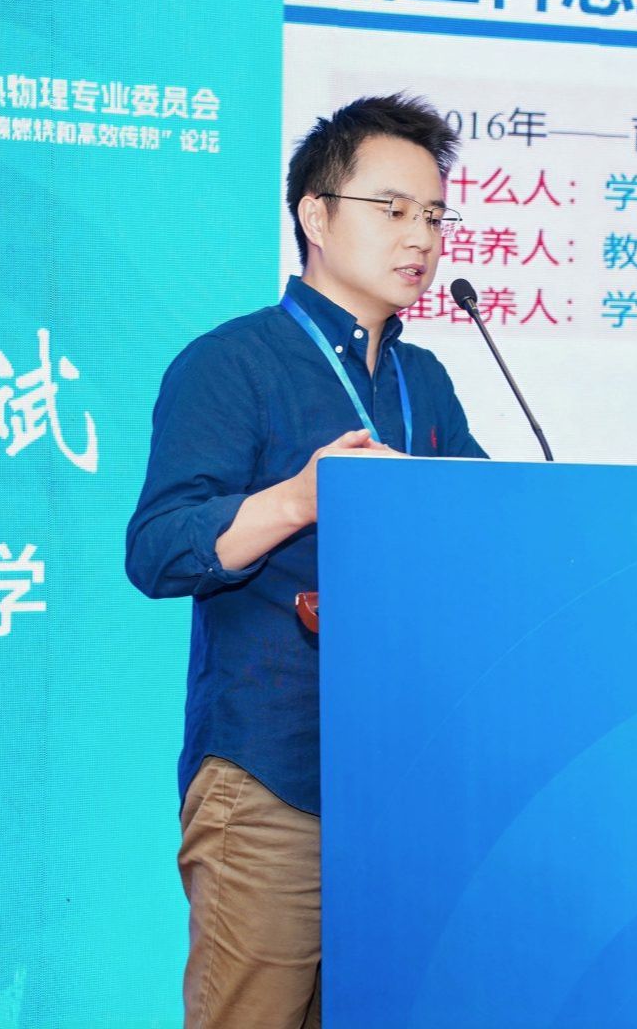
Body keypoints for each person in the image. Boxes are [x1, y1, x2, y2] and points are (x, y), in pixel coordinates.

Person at [125, 93, 488, 1028]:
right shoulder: (231, 363)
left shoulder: (424, 378)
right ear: (316, 216)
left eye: (435, 215)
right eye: (393, 209)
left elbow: (486, 527)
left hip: (397, 773)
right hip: (271, 775)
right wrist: (297, 499)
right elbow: (157, 549)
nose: (422, 237)